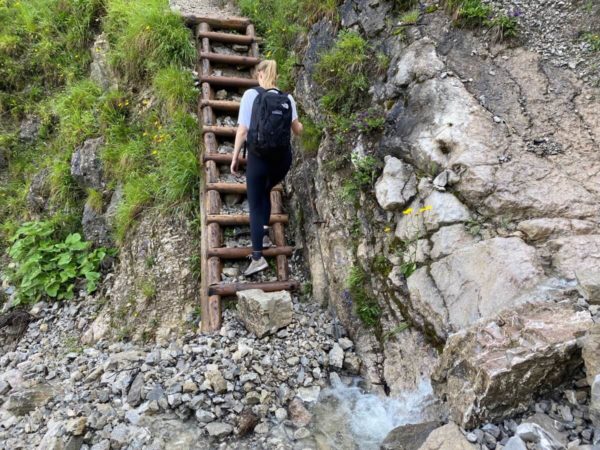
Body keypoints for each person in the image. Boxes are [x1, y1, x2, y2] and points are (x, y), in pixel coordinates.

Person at [230, 60, 303, 276]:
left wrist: (234, 157)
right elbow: (298, 130)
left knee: (255, 203)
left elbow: (243, 131)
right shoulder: (287, 98)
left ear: (260, 74)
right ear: (276, 76)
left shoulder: (251, 96)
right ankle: (262, 234)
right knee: (266, 191)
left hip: (259, 158)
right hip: (282, 161)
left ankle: (257, 257)